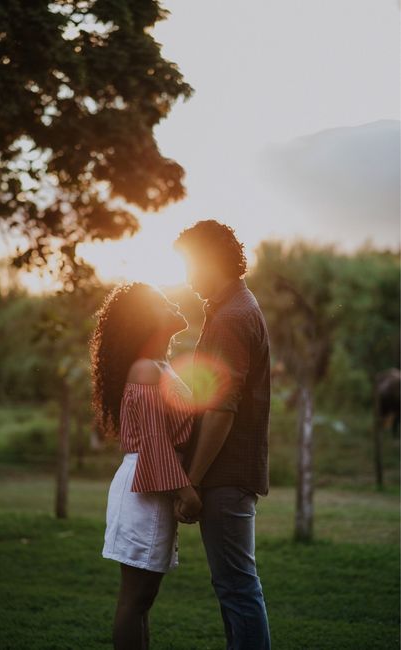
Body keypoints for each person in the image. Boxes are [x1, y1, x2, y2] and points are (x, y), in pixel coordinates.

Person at [173, 219, 272, 650]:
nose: (188, 278)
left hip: (225, 474)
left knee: (236, 588)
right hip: (229, 472)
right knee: (233, 587)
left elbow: (221, 410)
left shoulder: (232, 317)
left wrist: (192, 480)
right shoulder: (234, 307)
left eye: (190, 267)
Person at [89, 282, 202, 650]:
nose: (173, 303)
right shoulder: (146, 370)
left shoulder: (158, 366)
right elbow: (155, 443)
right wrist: (186, 492)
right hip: (145, 489)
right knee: (135, 601)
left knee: (143, 601)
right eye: (162, 302)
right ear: (145, 319)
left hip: (153, 485)